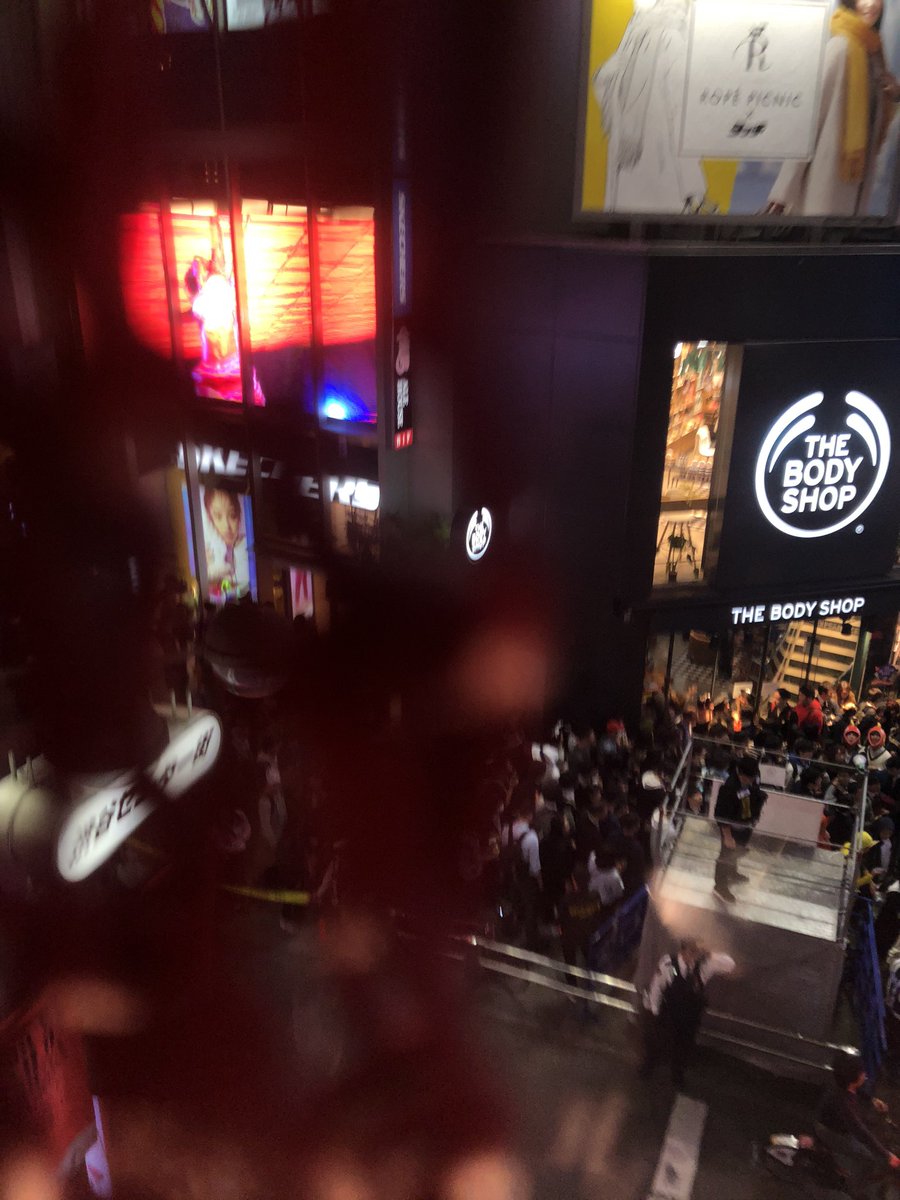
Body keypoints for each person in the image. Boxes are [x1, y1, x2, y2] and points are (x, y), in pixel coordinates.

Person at [764, 0, 900, 218]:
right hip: (824, 183)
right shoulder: (839, 48)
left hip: (856, 184)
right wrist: (781, 194)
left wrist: (893, 96)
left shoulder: (874, 54)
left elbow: (873, 123)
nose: (871, 5)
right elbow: (809, 124)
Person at [591, 0, 707, 214]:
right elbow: (680, 116)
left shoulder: (634, 36)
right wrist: (693, 185)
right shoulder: (674, 40)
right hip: (664, 173)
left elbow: (602, 80)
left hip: (626, 168)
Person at [640, 938, 735, 1089]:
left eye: (696, 952)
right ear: (683, 950)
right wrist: (654, 1010)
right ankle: (649, 1064)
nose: (694, 956)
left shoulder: (704, 965)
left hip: (690, 1015)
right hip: (670, 1011)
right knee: (657, 1040)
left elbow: (730, 965)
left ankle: (677, 1073)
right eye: (691, 951)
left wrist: (710, 953)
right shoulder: (669, 964)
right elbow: (657, 986)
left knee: (683, 1046)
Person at [815, 1050, 900, 1195]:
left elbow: (858, 1091)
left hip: (839, 1125)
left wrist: (872, 1100)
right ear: (853, 1078)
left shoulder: (843, 1085)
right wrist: (887, 1155)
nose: (865, 1075)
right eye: (862, 1073)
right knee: (869, 1159)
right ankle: (853, 1190)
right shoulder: (844, 1103)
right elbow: (860, 1131)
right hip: (829, 1132)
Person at [713, 756, 767, 905]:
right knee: (726, 855)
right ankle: (720, 885)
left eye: (751, 778)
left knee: (737, 851)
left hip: (746, 823)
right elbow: (721, 814)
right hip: (732, 827)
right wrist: (727, 836)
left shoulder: (754, 777)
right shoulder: (728, 788)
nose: (749, 781)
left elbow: (755, 792)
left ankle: (732, 872)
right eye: (746, 778)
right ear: (738, 772)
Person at [202, 486, 251, 600]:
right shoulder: (210, 553)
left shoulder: (248, 547)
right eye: (218, 516)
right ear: (210, 519)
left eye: (232, 515)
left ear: (239, 515)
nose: (226, 526)